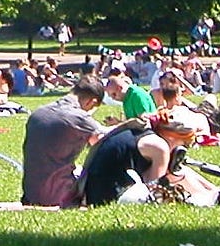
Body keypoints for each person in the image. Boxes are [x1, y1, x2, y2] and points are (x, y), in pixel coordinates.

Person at [21, 78, 147, 207]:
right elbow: (106, 139)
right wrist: (133, 124)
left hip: (31, 193)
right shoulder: (79, 117)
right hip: (56, 196)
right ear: (91, 102)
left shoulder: (39, 112)